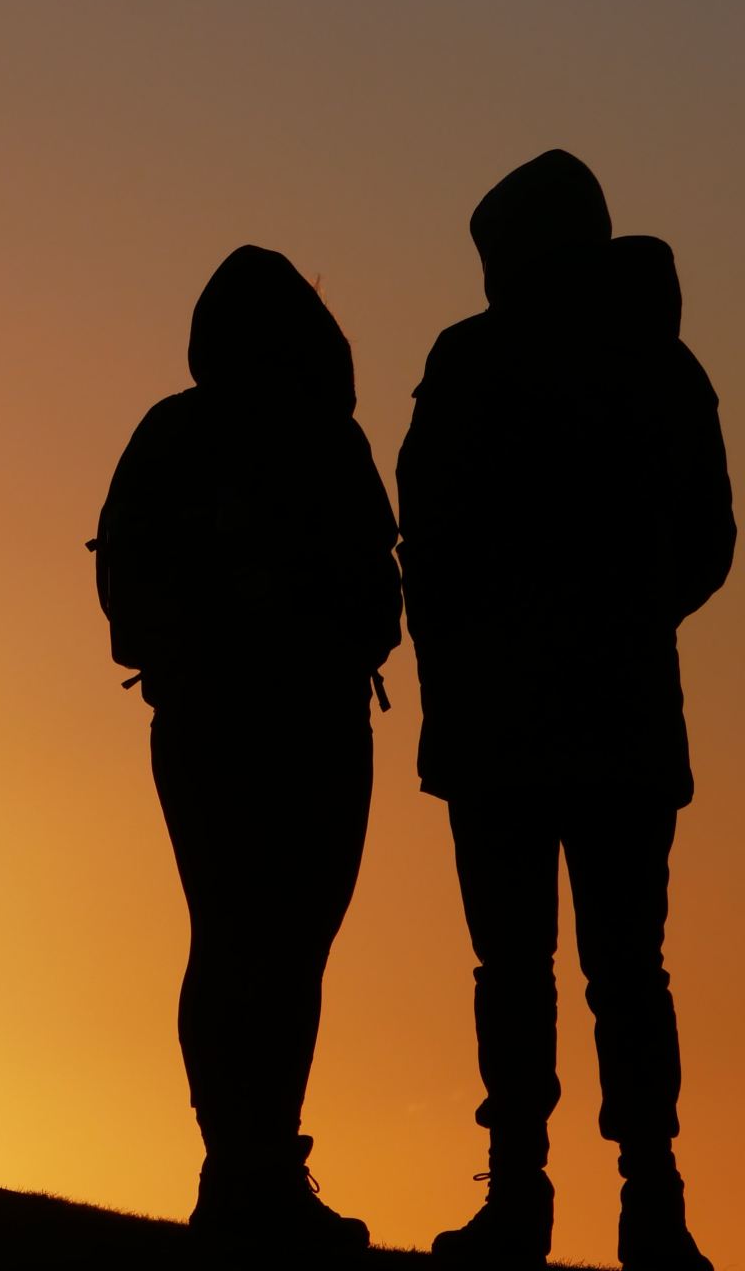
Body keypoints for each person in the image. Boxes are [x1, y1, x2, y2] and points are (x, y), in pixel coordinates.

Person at [398, 150, 733, 1271]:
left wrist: (508, 629)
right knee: (623, 966)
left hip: (507, 724)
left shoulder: (476, 360)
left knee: (529, 967)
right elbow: (709, 543)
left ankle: (533, 1198)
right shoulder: (662, 363)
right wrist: (631, 618)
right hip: (620, 718)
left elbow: (428, 536)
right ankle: (646, 1201)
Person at [94, 245, 401, 1261]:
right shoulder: (299, 439)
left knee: (259, 945)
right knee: (253, 944)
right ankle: (246, 1172)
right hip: (258, 728)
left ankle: (253, 1169)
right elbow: (130, 592)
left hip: (274, 727)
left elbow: (377, 591)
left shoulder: (206, 436)